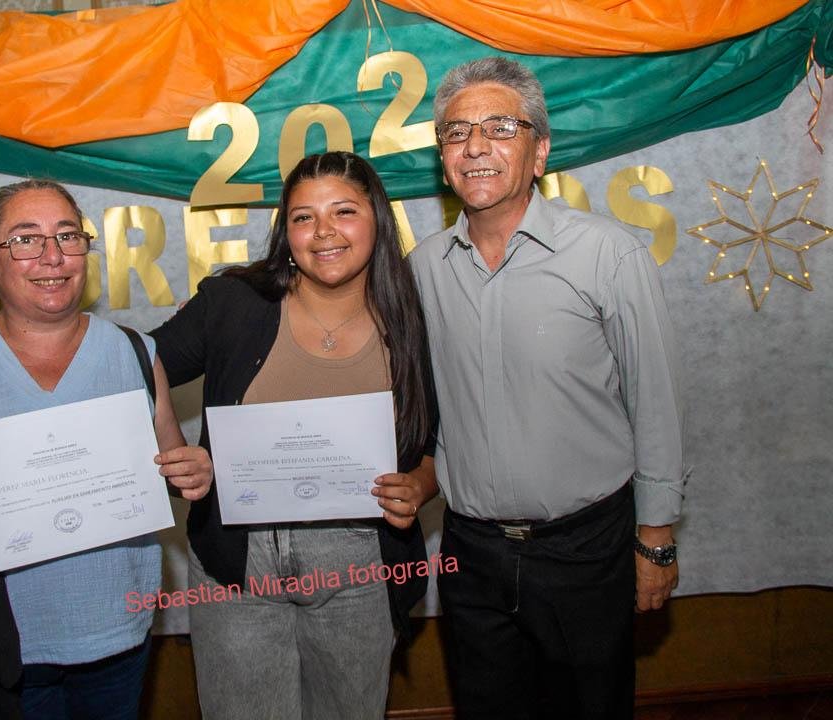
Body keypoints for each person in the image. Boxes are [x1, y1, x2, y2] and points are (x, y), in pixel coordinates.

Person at [409, 58, 685, 719]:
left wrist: (656, 536)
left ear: (539, 152)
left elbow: (657, 404)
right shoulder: (422, 270)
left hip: (585, 550)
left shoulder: (608, 254)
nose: (475, 146)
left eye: (500, 128)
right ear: (444, 159)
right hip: (470, 554)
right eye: (456, 132)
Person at [0, 179, 212, 720]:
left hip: (116, 626)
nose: (52, 256)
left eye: (67, 236)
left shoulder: (135, 353)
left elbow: (171, 467)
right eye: (25, 239)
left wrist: (192, 472)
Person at [150, 151, 438, 720]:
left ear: (378, 219)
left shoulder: (416, 313)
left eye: (344, 211)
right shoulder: (233, 303)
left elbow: (438, 441)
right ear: (287, 232)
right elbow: (131, 364)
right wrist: (175, 451)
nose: (323, 231)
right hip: (237, 564)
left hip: (360, 562)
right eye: (304, 217)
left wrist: (421, 485)